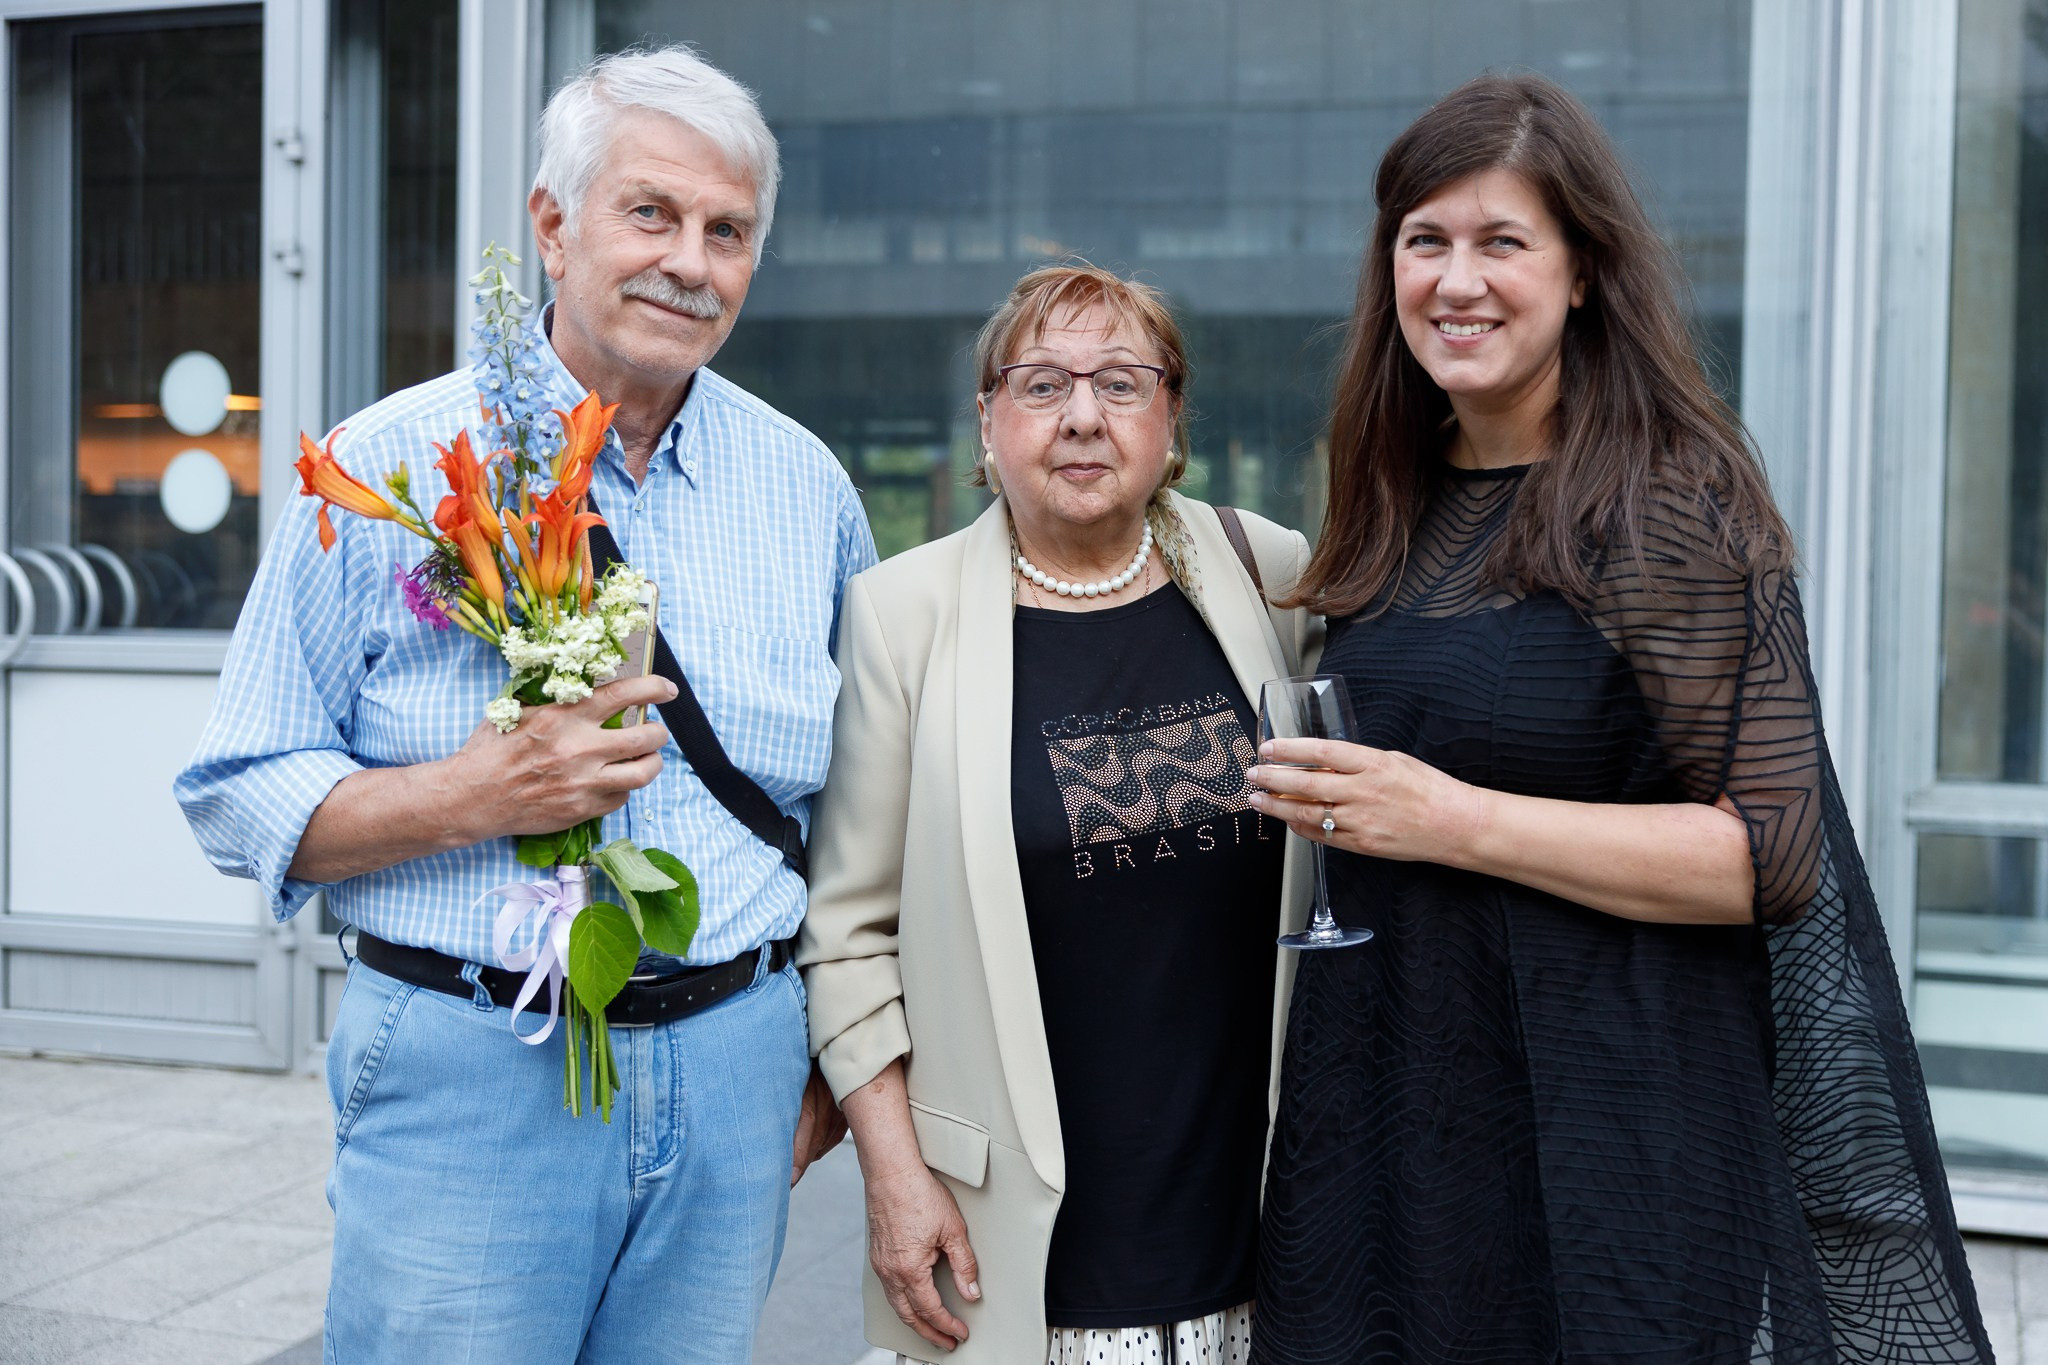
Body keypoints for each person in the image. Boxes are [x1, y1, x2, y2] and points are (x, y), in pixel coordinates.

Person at [1246, 74, 1992, 1364]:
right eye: (1424, 241)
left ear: (1582, 273)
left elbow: (1769, 856)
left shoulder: (1661, 504)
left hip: (1612, 1133)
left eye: (1501, 242)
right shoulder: (1395, 497)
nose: (1456, 280)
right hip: (1398, 1109)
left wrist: (1449, 818)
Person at [174, 46, 871, 1364]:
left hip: (737, 1071)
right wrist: (475, 796)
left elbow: (860, 809)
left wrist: (829, 1057)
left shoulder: (808, 486)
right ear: (553, 228)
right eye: (651, 214)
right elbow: (236, 788)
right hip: (475, 1069)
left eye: (729, 232)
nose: (692, 261)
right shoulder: (385, 468)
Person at [800, 262, 1319, 1365]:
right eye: (1040, 385)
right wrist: (892, 1177)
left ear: (1170, 418)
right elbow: (845, 937)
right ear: (986, 422)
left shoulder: (1263, 574)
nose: (1082, 415)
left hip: (1253, 1206)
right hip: (1003, 1224)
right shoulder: (902, 617)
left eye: (1121, 383)